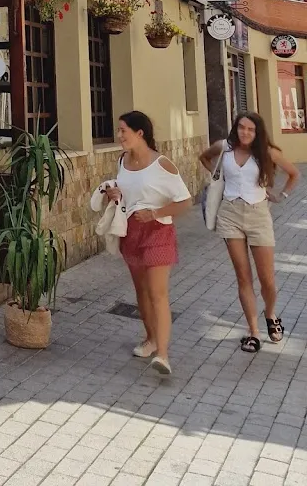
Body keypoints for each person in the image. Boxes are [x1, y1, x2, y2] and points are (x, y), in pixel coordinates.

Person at [199, 112, 300, 353]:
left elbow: (294, 173)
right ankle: (253, 332)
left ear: (257, 132)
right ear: (236, 128)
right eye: (241, 127)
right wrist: (218, 177)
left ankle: (271, 314)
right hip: (230, 214)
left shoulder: (267, 152)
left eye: (250, 129)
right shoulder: (224, 147)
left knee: (267, 280)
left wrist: (281, 195)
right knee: (243, 277)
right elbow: (204, 157)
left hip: (258, 215)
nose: (245, 132)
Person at [103, 111, 193, 376]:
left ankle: (163, 355)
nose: (119, 136)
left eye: (123, 131)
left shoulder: (162, 164)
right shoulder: (122, 160)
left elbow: (185, 201)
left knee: (157, 293)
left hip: (158, 232)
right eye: (119, 131)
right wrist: (113, 193)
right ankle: (151, 339)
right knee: (141, 292)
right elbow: (124, 192)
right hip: (130, 232)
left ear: (140, 133)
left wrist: (155, 213)